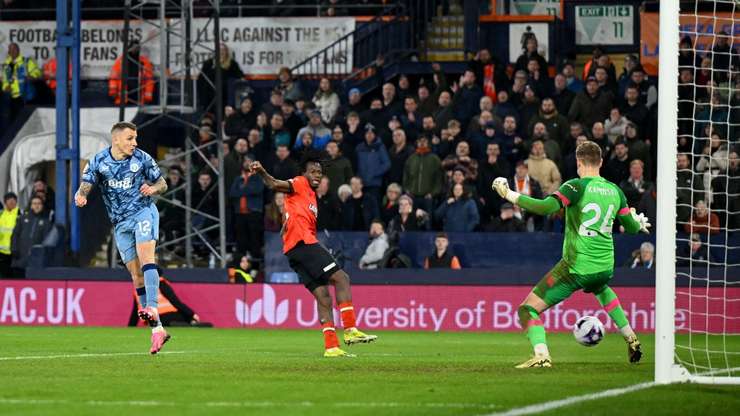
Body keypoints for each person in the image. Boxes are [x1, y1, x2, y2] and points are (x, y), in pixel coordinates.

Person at [492, 141, 650, 368]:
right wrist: (637, 221)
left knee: (527, 310)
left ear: (578, 162)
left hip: (576, 267)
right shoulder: (615, 190)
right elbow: (632, 228)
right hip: (605, 267)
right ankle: (631, 337)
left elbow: (545, 207)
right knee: (601, 289)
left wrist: (509, 194)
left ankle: (541, 355)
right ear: (601, 162)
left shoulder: (575, 186)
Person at [249, 150, 378, 357]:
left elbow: (294, 213)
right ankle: (351, 329)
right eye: (313, 172)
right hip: (304, 244)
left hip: (293, 251)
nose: (317, 175)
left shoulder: (311, 196)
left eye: (319, 172)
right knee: (342, 278)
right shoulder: (300, 183)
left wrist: (287, 224)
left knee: (324, 297)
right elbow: (274, 185)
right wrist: (263, 171)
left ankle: (331, 347)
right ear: (304, 173)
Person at [75, 121, 171, 354]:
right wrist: (81, 195)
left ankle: (153, 308)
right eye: (130, 138)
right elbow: (86, 184)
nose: (134, 143)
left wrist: (153, 189)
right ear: (116, 139)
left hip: (143, 213)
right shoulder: (98, 161)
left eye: (135, 138)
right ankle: (158, 330)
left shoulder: (142, 159)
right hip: (120, 224)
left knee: (147, 258)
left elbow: (163, 183)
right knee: (135, 275)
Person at [229, 157, 265, 258]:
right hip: (239, 213)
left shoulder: (259, 177)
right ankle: (241, 260)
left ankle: (255, 262)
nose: (247, 163)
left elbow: (257, 190)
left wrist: (241, 190)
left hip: (254, 212)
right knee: (241, 238)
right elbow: (232, 193)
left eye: (250, 161)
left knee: (255, 238)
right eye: (246, 161)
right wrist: (247, 190)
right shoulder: (238, 178)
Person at [11, 195, 52, 276]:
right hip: (20, 258)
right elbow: (15, 235)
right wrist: (14, 249)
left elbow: (46, 241)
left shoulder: (46, 222)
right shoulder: (22, 218)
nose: (36, 206)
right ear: (31, 205)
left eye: (39, 204)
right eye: (34, 203)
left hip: (36, 260)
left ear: (42, 206)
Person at [2, 42, 42, 120]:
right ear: (9, 52)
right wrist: (6, 87)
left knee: (25, 120)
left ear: (18, 50)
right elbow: (5, 81)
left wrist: (32, 76)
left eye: (15, 49)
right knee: (13, 121)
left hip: (25, 96)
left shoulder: (26, 62)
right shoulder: (6, 65)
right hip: (12, 98)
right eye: (11, 50)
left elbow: (37, 72)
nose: (13, 51)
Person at [108, 40, 155, 106]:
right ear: (129, 48)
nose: (135, 50)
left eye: (137, 48)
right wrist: (113, 92)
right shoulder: (121, 61)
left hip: (138, 99)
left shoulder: (145, 62)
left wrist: (148, 96)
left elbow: (149, 80)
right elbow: (114, 77)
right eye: (133, 48)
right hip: (123, 100)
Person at [0, 192, 19, 277]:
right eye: (9, 200)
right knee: (4, 275)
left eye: (13, 200)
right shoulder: (1, 214)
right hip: (2, 252)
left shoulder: (21, 214)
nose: (11, 202)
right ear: (5, 202)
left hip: (16, 251)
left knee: (16, 276)